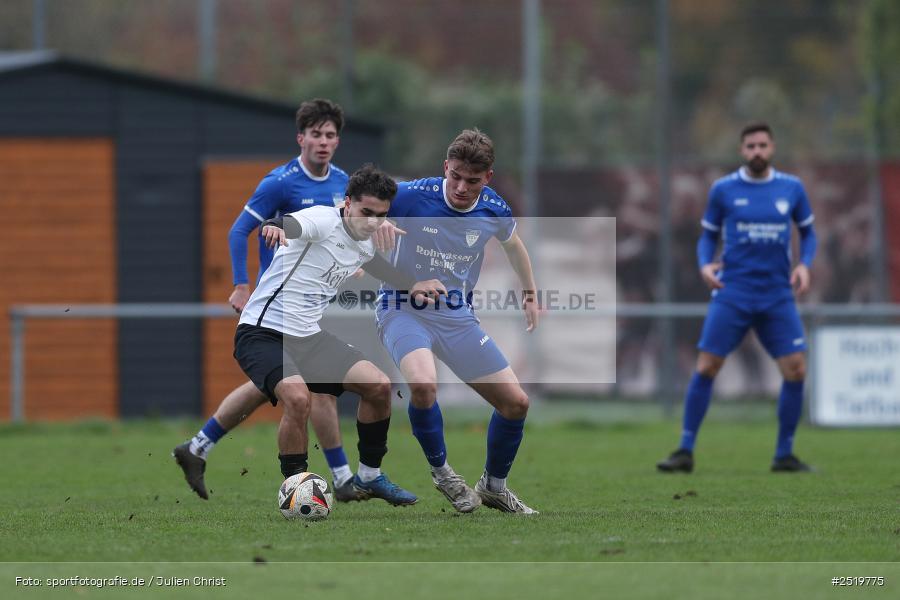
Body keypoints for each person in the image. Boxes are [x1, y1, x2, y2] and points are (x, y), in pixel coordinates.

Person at [173, 99, 366, 502]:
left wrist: (354, 262)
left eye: (330, 135)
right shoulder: (280, 182)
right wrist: (241, 285)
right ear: (301, 138)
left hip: (312, 303)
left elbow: (341, 233)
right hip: (276, 304)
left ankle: (197, 447)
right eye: (316, 134)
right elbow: (238, 230)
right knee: (313, 389)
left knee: (271, 388)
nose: (323, 141)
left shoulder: (344, 183)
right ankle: (341, 479)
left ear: (338, 141)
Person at [373, 129, 540, 514]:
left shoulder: (494, 209)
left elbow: (514, 246)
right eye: (456, 177)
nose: (462, 187)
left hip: (456, 316)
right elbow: (351, 207)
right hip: (402, 308)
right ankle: (443, 473)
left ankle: (494, 486)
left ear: (488, 178)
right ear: (445, 167)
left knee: (516, 403)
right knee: (423, 384)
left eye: (473, 180)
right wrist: (375, 221)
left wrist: (530, 293)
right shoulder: (411, 195)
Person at [656, 122, 817, 474]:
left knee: (796, 369)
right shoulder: (724, 189)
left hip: (777, 295)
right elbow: (707, 237)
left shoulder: (791, 188)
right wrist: (704, 264)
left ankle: (784, 455)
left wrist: (804, 265)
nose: (757, 151)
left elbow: (808, 233)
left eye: (762, 145)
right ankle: (684, 450)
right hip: (733, 293)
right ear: (742, 150)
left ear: (772, 147)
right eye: (750, 146)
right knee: (706, 366)